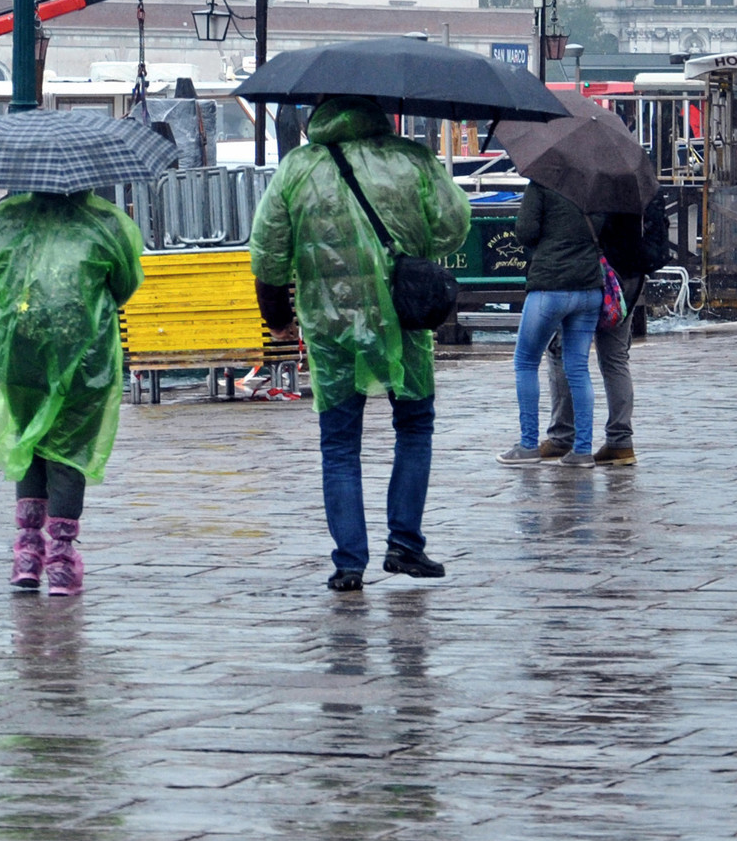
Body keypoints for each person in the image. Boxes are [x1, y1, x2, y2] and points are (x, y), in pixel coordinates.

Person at [251, 96, 472, 591]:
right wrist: (410, 242)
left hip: (330, 326)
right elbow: (454, 224)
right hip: (403, 314)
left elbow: (268, 253)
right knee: (414, 425)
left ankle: (350, 561)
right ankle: (405, 543)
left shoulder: (297, 169)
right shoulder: (411, 158)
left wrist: (278, 317)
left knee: (339, 443)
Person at [0, 187, 144, 596]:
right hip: (84, 351)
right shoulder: (106, 223)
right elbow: (124, 283)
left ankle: (27, 553)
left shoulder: (5, 221)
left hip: (20, 345)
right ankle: (61, 559)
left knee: (30, 437)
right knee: (71, 445)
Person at [541, 189, 661, 465]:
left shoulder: (588, 179)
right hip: (631, 274)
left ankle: (562, 435)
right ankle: (620, 441)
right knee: (615, 358)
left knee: (561, 351)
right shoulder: (637, 177)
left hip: (598, 273)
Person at [498, 178, 608, 468]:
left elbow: (525, 232)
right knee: (578, 367)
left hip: (550, 287)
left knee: (525, 362)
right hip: (589, 288)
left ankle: (527, 445)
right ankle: (583, 450)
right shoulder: (597, 185)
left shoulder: (543, 182)